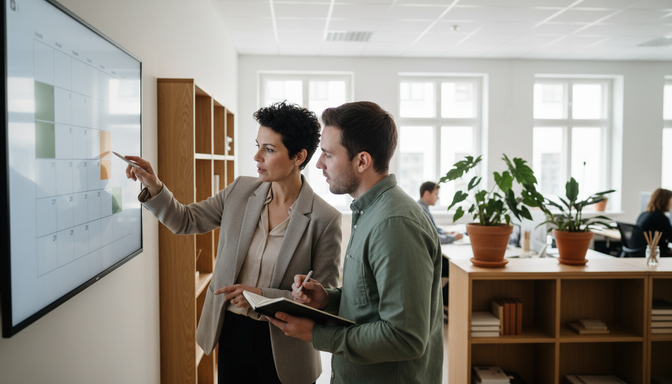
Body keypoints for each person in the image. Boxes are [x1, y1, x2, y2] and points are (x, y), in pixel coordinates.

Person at [124, 101, 342, 384]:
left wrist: (259, 295)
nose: (257, 157)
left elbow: (321, 301)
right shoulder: (240, 191)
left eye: (269, 149)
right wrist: (154, 185)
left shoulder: (325, 219)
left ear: (298, 156)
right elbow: (186, 220)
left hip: (285, 344)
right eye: (258, 145)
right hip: (232, 333)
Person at [265, 101, 444, 384]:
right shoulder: (369, 212)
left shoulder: (394, 223)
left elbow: (404, 338)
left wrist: (317, 334)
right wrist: (327, 299)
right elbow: (370, 302)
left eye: (327, 154)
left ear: (362, 161)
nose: (319, 163)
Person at [637, 188, 672, 256]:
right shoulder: (660, 218)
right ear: (665, 201)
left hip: (646, 251)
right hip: (656, 252)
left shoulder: (643, 215)